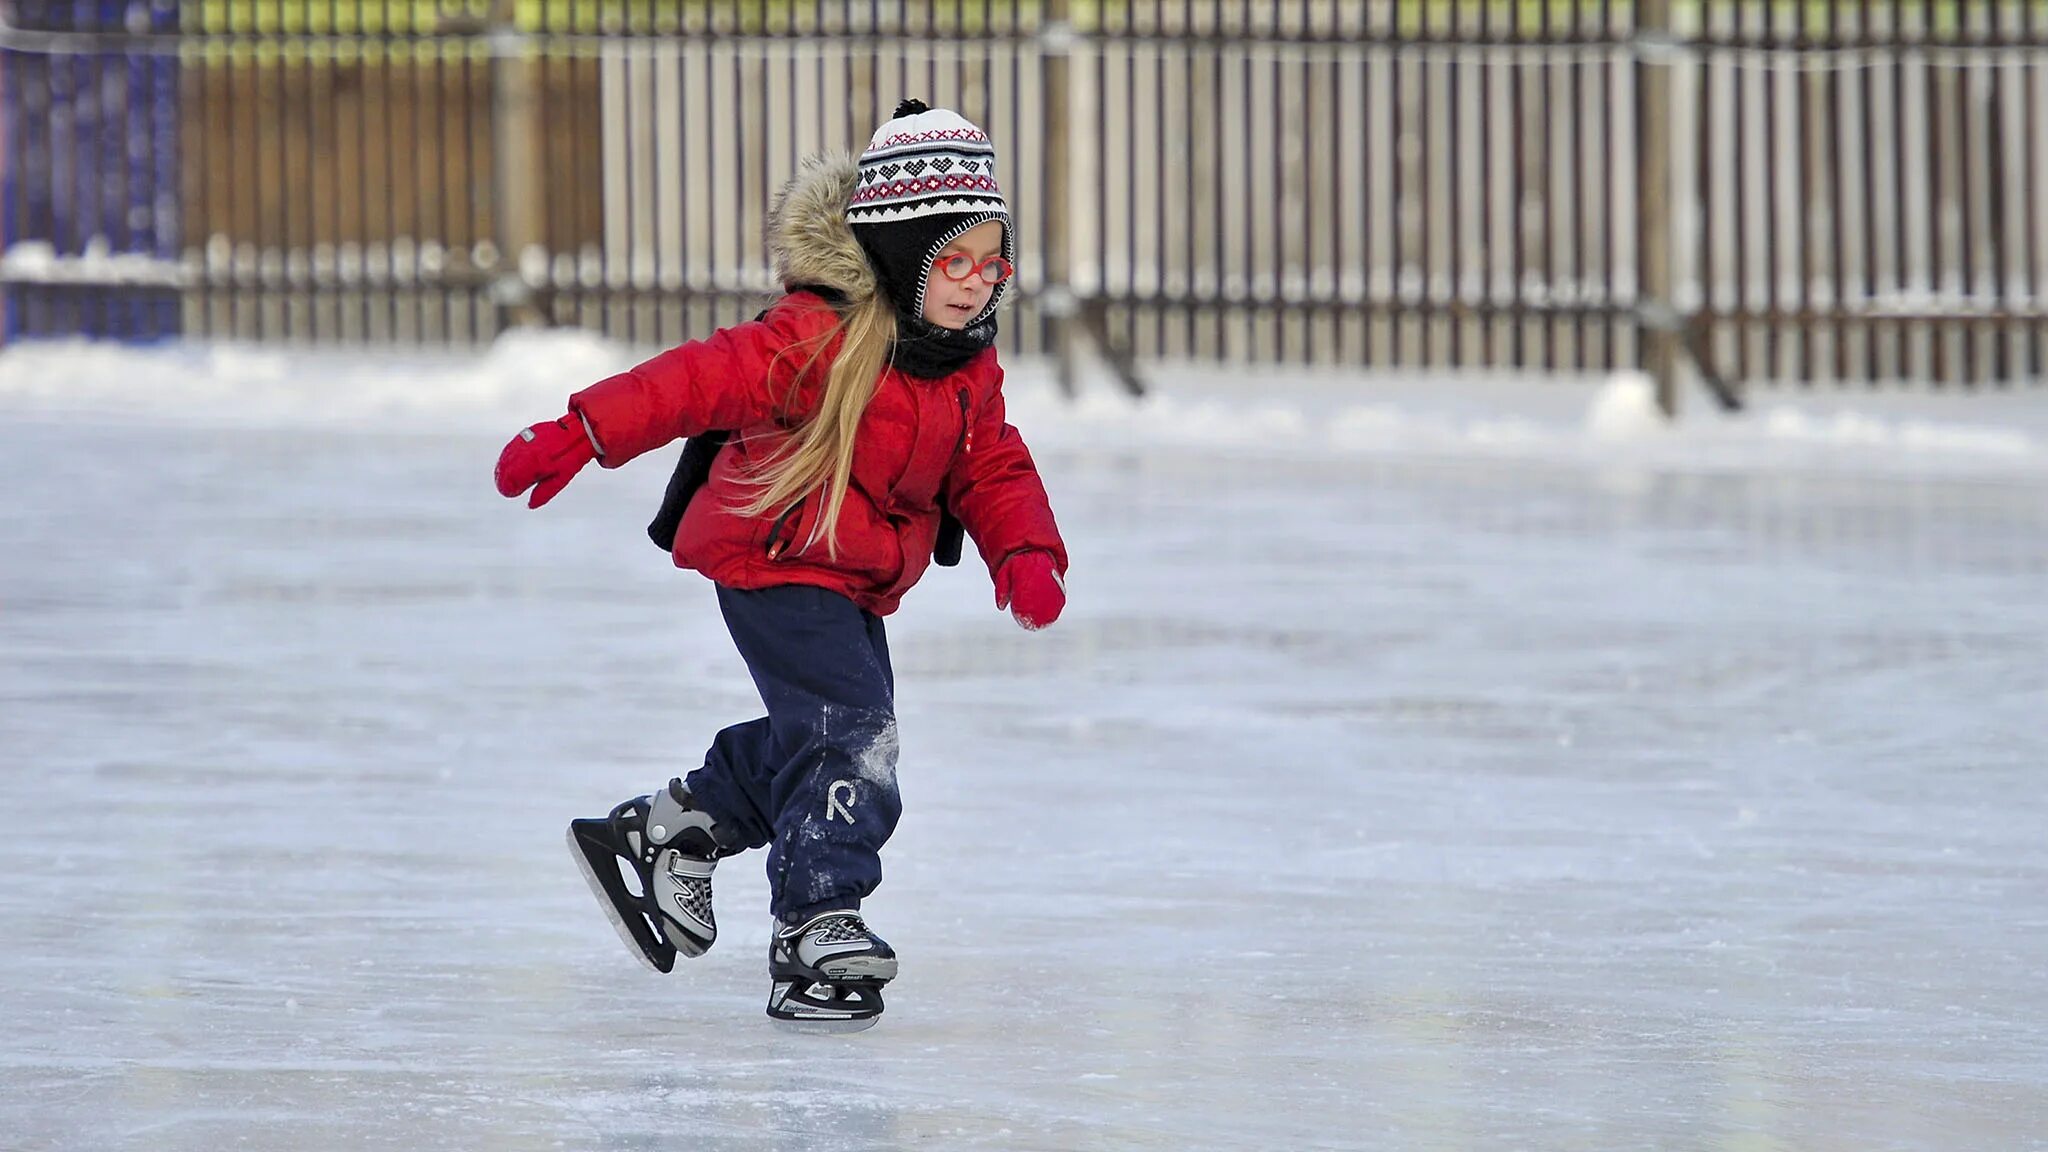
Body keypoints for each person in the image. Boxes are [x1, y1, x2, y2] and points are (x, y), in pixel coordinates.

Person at [493, 100, 1068, 1029]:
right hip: (774, 556)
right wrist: (581, 429)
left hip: (852, 576)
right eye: (950, 260)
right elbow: (691, 380)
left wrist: (1028, 551)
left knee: (826, 734)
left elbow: (991, 463)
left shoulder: (962, 365)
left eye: (990, 261)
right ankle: (817, 922)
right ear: (900, 256)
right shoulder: (813, 337)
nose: (973, 283)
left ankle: (676, 826)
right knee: (852, 732)